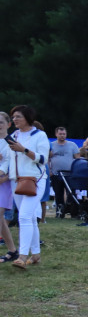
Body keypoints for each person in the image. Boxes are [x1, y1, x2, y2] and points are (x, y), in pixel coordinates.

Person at [7, 106, 51, 269]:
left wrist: (24, 150)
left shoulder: (40, 135)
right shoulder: (13, 135)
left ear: (27, 118)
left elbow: (43, 159)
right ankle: (36, 254)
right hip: (16, 181)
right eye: (13, 117)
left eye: (18, 116)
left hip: (35, 180)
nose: (15, 119)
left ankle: (22, 256)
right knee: (30, 218)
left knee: (24, 217)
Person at [48, 126, 80, 224]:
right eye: (60, 134)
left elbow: (77, 158)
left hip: (69, 174)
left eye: (64, 134)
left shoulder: (72, 145)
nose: (62, 136)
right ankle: (59, 211)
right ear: (56, 134)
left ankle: (73, 211)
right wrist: (49, 171)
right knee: (58, 194)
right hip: (56, 174)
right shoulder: (51, 145)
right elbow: (47, 158)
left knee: (71, 193)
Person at [0, 112, 16, 263]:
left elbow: (13, 164)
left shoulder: (11, 141)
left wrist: (3, 176)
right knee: (1, 220)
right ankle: (12, 250)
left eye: (1, 122)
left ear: (8, 124)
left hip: (5, 182)